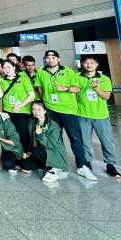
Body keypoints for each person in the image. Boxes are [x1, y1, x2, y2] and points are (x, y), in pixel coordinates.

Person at [35, 50, 96, 181]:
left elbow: (77, 88)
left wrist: (66, 89)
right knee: (55, 139)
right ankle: (58, 165)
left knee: (75, 138)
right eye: (47, 57)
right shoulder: (40, 72)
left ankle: (82, 166)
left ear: (58, 59)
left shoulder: (68, 71)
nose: (50, 59)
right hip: (51, 110)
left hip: (69, 110)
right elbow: (40, 90)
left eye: (53, 57)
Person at [76, 55, 121, 178]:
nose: (89, 65)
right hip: (82, 114)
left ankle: (110, 164)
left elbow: (106, 96)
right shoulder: (76, 77)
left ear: (96, 65)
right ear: (82, 64)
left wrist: (96, 88)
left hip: (101, 115)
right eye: (86, 62)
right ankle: (87, 163)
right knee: (85, 142)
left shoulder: (104, 78)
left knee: (107, 141)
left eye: (92, 62)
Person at [20, 101, 68, 183]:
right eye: (34, 109)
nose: (36, 112)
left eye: (39, 109)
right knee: (25, 164)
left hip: (53, 153)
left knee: (34, 150)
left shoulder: (53, 126)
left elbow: (51, 144)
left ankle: (53, 168)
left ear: (45, 111)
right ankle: (46, 166)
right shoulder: (32, 123)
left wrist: (40, 134)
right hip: (39, 152)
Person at [0, 59, 35, 152]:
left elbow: (32, 95)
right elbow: (0, 95)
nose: (7, 70)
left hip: (22, 111)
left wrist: (20, 106)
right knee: (10, 133)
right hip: (8, 111)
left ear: (14, 67)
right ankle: (12, 155)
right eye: (4, 68)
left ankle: (24, 154)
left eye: (9, 67)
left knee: (22, 133)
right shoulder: (2, 81)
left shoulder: (23, 79)